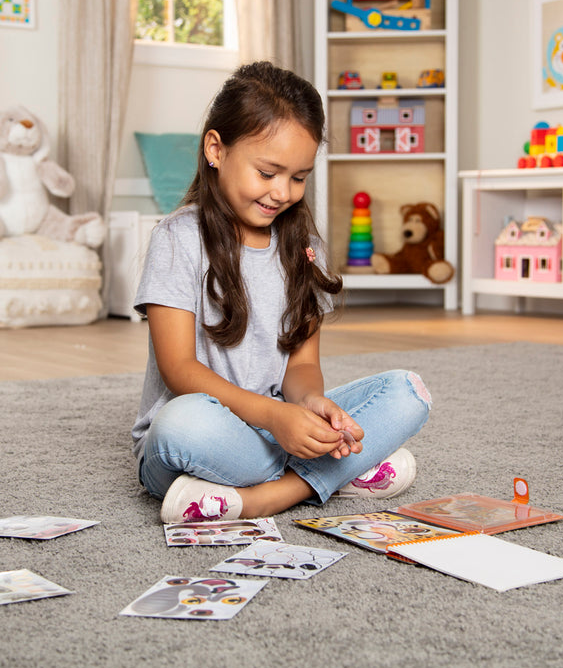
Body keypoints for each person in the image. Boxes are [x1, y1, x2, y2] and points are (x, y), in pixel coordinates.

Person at [132, 61, 431, 523]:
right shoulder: (178, 238)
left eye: (298, 176)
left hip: (277, 425)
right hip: (204, 435)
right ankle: (324, 477)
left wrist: (312, 404)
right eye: (268, 172)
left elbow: (303, 365)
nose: (282, 192)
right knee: (180, 424)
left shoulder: (304, 249)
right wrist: (276, 420)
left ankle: (264, 496)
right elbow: (179, 370)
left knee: (410, 393)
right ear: (216, 149)